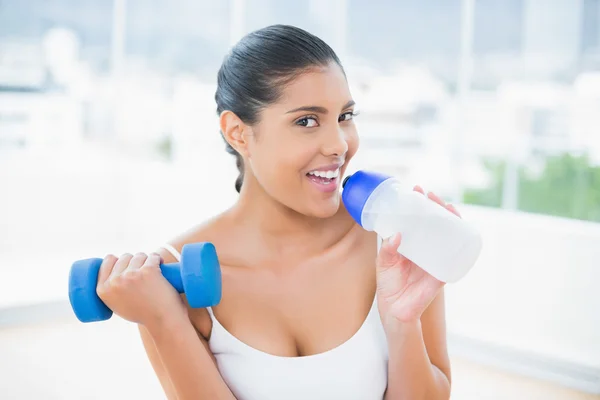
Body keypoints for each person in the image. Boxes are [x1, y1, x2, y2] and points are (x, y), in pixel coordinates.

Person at [95, 24, 461, 400]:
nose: (339, 144)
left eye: (345, 116)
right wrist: (164, 320)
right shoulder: (167, 281)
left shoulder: (393, 240)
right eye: (306, 121)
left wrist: (403, 323)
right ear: (238, 133)